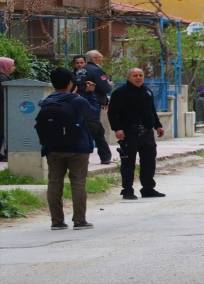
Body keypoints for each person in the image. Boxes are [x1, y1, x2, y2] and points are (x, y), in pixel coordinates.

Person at [39, 67, 100, 230]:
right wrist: (91, 94)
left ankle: (57, 221)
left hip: (53, 147)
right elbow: (94, 113)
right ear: (70, 82)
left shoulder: (46, 101)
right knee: (78, 182)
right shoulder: (77, 100)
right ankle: (79, 220)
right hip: (77, 147)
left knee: (54, 183)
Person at [108, 68, 165, 200]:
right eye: (135, 75)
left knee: (149, 161)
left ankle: (148, 188)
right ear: (129, 77)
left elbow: (152, 110)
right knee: (128, 162)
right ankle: (127, 190)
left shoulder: (147, 91)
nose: (138, 78)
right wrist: (117, 129)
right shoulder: (120, 93)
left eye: (141, 75)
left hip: (147, 133)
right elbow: (113, 113)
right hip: (129, 133)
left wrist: (158, 125)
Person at [74, 50, 113, 165]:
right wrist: (110, 85)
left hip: (79, 102)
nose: (102, 59)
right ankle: (79, 156)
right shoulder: (96, 70)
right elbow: (105, 88)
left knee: (98, 130)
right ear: (92, 59)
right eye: (100, 57)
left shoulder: (81, 70)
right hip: (92, 103)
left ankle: (105, 156)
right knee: (92, 130)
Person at [0, 57, 15, 162]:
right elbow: (4, 95)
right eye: (12, 65)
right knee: (1, 131)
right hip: (2, 109)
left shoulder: (4, 77)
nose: (14, 68)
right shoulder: (2, 78)